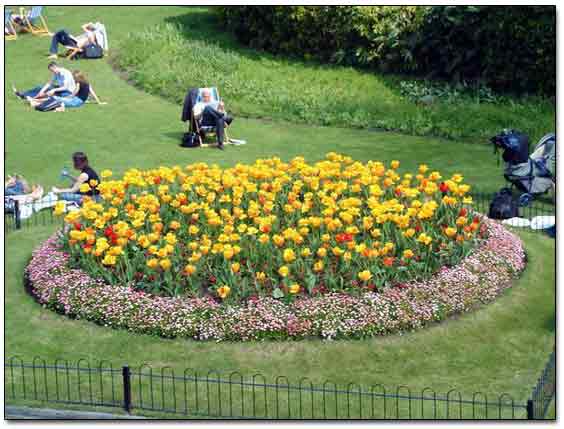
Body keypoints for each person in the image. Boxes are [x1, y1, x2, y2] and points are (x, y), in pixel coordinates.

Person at [26, 70, 106, 112]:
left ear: (77, 77)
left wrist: (68, 97)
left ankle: (34, 100)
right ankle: (35, 102)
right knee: (56, 99)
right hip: (78, 101)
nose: (73, 78)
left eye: (74, 77)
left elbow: (74, 93)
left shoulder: (78, 83)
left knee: (56, 98)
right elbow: (92, 93)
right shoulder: (87, 83)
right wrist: (99, 102)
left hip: (76, 101)